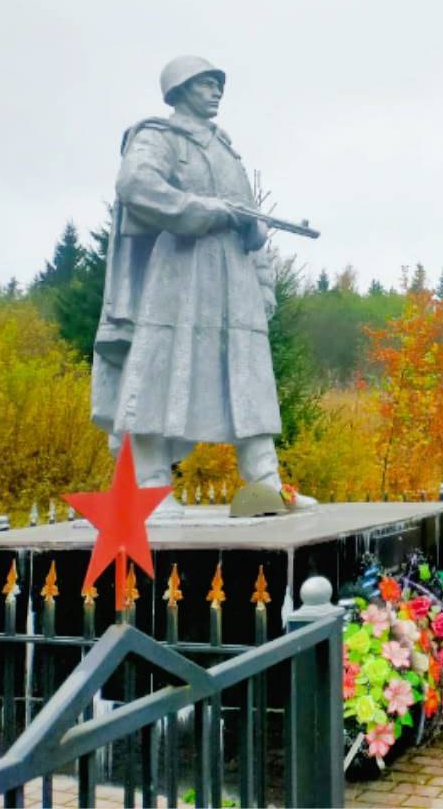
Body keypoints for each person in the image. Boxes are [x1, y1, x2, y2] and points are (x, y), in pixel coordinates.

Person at [90, 56, 310, 516]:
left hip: (235, 280)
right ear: (181, 89)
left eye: (218, 85)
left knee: (249, 375)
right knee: (158, 372)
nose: (216, 92)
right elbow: (136, 184)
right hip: (178, 277)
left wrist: (262, 274)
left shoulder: (228, 150)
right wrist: (205, 211)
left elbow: (251, 221)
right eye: (207, 84)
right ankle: (149, 484)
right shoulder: (157, 136)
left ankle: (265, 480)